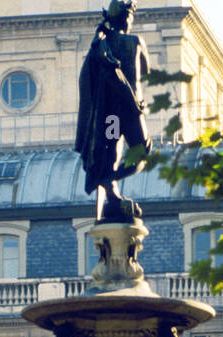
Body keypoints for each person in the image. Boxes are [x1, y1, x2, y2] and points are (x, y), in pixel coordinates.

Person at [75, 0, 152, 221]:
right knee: (141, 151)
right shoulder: (135, 42)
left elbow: (87, 80)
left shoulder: (100, 47)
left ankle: (107, 179)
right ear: (127, 18)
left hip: (110, 114)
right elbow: (143, 72)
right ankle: (110, 179)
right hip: (130, 108)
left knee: (111, 150)